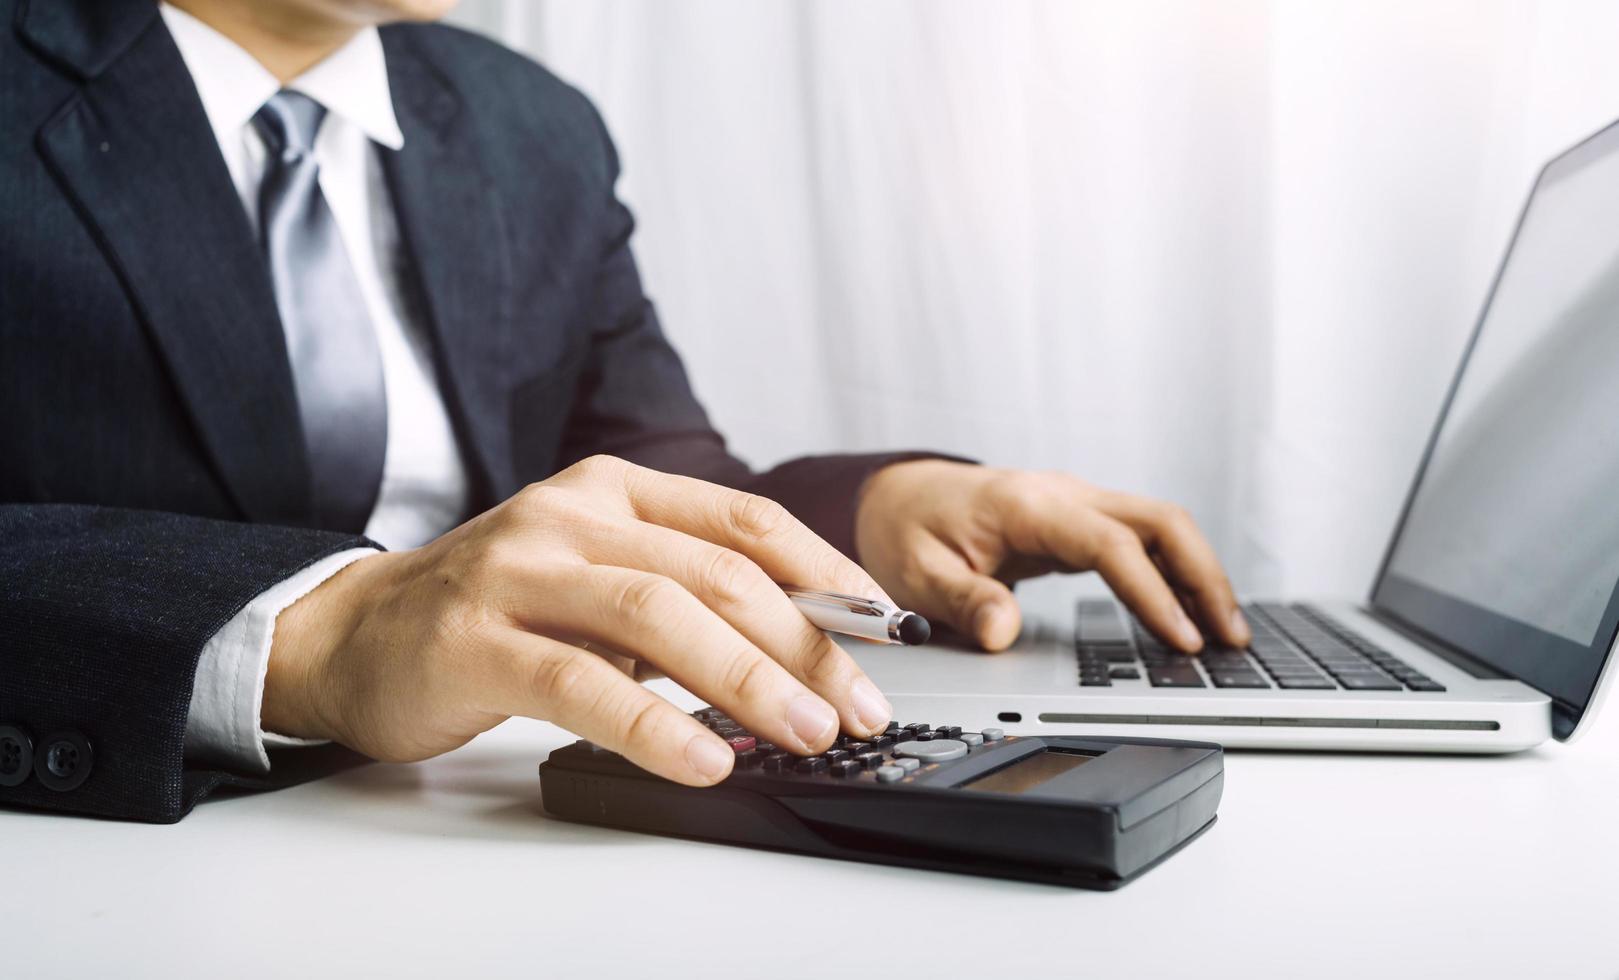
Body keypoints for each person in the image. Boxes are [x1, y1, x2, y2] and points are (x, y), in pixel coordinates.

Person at [0, 0, 1250, 823]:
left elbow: (649, 469)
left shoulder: (528, 127)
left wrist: (873, 517)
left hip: (508, 825)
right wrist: (322, 631)